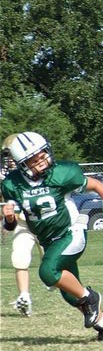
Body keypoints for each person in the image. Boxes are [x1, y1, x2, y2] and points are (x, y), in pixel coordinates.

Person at [1, 132, 103, 340]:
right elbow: (11, 225)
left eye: (43, 153)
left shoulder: (61, 172)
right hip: (48, 241)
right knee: (70, 294)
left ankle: (92, 297)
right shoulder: (12, 184)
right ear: (22, 164)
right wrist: (8, 218)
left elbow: (96, 184)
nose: (43, 160)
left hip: (71, 233)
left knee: (48, 272)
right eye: (35, 158)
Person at [0, 134, 41, 317]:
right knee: (19, 257)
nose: (10, 161)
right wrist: (8, 220)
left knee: (53, 265)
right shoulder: (8, 181)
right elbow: (10, 217)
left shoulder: (41, 171)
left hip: (46, 223)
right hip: (24, 224)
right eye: (7, 156)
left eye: (13, 156)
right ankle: (24, 297)